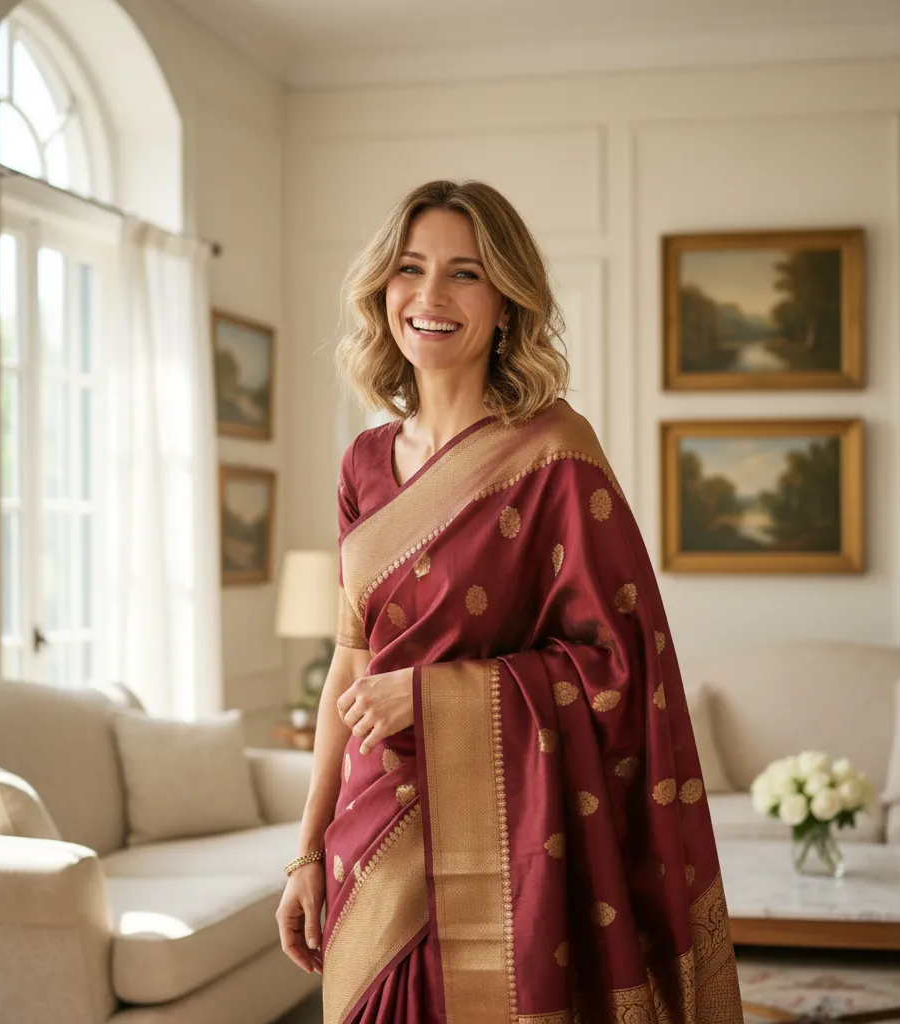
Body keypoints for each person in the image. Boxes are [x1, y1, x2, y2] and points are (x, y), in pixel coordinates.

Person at [276, 179, 744, 1024]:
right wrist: (305, 851)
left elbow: (618, 664)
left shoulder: (554, 452)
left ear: (506, 303)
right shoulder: (363, 464)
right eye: (410, 269)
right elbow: (349, 664)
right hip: (369, 830)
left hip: (506, 834)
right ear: (382, 290)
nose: (429, 296)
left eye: (465, 273)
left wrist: (429, 695)